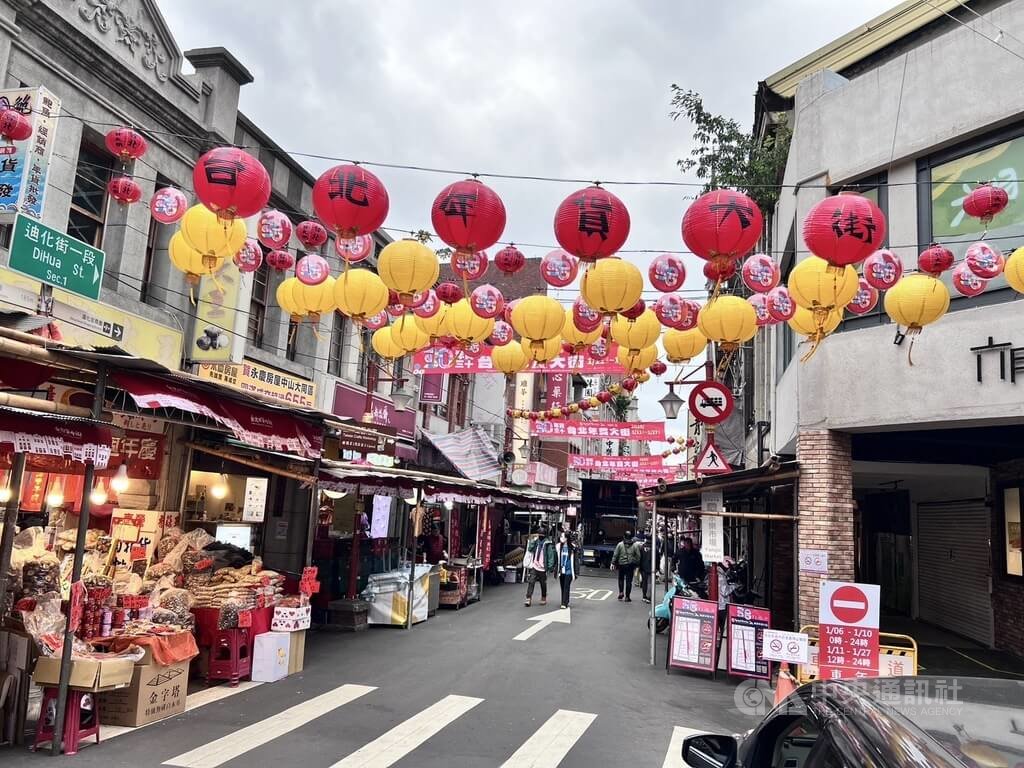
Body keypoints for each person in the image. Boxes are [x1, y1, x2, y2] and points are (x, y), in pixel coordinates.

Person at [524, 524, 554, 607]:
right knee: (531, 582)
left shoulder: (547, 544)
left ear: (544, 536)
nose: (540, 536)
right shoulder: (536, 542)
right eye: (539, 535)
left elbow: (550, 556)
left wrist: (550, 567)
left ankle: (543, 597)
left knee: (543, 583)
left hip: (542, 567)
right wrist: (533, 541)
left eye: (541, 535)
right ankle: (528, 598)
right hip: (535, 565)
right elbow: (530, 549)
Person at [611, 530, 639, 601]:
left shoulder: (620, 544)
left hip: (621, 565)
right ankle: (627, 597)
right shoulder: (635, 545)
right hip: (630, 565)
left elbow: (616, 554)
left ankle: (621, 592)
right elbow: (638, 556)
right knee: (629, 581)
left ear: (624, 536)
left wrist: (613, 562)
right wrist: (635, 563)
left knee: (621, 579)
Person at [555, 529, 579, 609]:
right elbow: (556, 559)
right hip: (561, 570)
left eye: (562, 536)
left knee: (566, 586)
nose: (560, 538)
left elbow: (576, 561)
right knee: (562, 586)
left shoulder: (573, 548)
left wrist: (576, 573)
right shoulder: (558, 547)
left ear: (566, 538)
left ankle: (564, 603)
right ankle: (565, 600)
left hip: (569, 571)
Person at [635, 534, 655, 603]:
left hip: (643, 567)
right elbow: (657, 558)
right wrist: (657, 567)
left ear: (645, 539)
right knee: (650, 582)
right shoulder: (654, 547)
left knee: (644, 582)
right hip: (651, 567)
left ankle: (644, 596)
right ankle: (649, 597)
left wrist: (638, 566)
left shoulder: (641, 547)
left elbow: (639, 557)